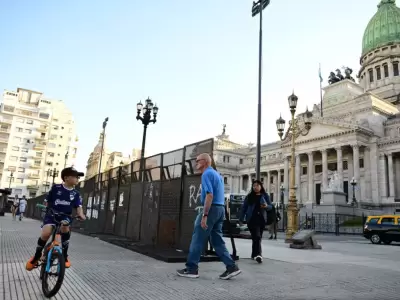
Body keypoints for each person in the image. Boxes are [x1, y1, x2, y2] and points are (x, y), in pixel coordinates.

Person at [177, 153, 241, 280]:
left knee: (197, 238)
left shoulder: (206, 174)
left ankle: (191, 269)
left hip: (211, 210)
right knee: (217, 240)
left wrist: (205, 215)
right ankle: (231, 266)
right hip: (220, 209)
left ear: (205, 162)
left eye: (197, 161)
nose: (196, 163)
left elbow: (209, 195)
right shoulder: (217, 174)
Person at [25, 167, 86, 271]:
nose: (77, 179)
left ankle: (65, 256)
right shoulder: (56, 188)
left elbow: (78, 206)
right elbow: (47, 201)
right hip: (52, 215)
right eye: (75, 177)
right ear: (66, 178)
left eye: (78, 177)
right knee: (46, 233)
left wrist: (81, 214)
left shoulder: (76, 194)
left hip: (65, 216)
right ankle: (36, 256)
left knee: (65, 229)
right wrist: (45, 207)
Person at [239, 180, 272, 263]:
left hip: (261, 219)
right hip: (251, 219)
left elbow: (270, 206)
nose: (255, 187)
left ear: (261, 186)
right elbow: (244, 208)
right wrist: (241, 219)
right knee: (257, 236)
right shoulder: (249, 196)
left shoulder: (265, 196)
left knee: (257, 237)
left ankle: (254, 254)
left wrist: (266, 206)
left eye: (257, 185)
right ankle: (259, 255)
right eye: (254, 186)